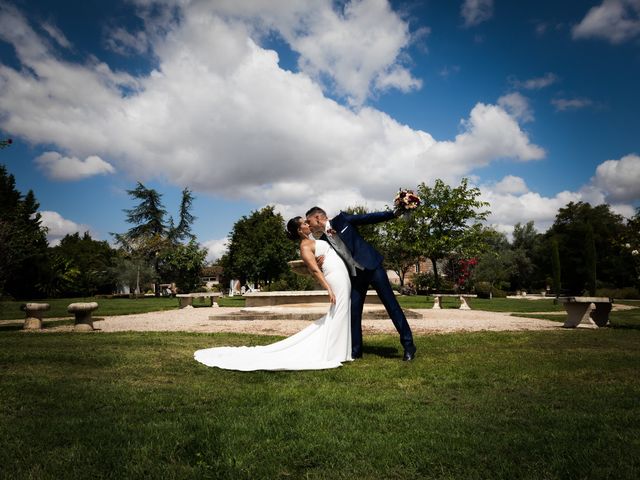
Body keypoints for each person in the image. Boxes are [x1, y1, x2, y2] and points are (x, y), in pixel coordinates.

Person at [194, 217, 352, 371]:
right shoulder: (304, 247)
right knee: (339, 310)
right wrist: (328, 288)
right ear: (299, 230)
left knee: (342, 310)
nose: (307, 223)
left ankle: (340, 350)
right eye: (304, 223)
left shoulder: (316, 240)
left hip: (341, 273)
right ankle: (335, 352)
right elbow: (314, 270)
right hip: (335, 277)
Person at [306, 206, 417, 361]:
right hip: (356, 276)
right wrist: (320, 260)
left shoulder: (342, 220)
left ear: (318, 218)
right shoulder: (323, 241)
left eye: (309, 221)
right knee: (354, 312)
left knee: (392, 306)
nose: (308, 225)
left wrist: (393, 214)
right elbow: (327, 259)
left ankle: (408, 346)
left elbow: (369, 218)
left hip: (372, 267)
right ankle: (356, 351)